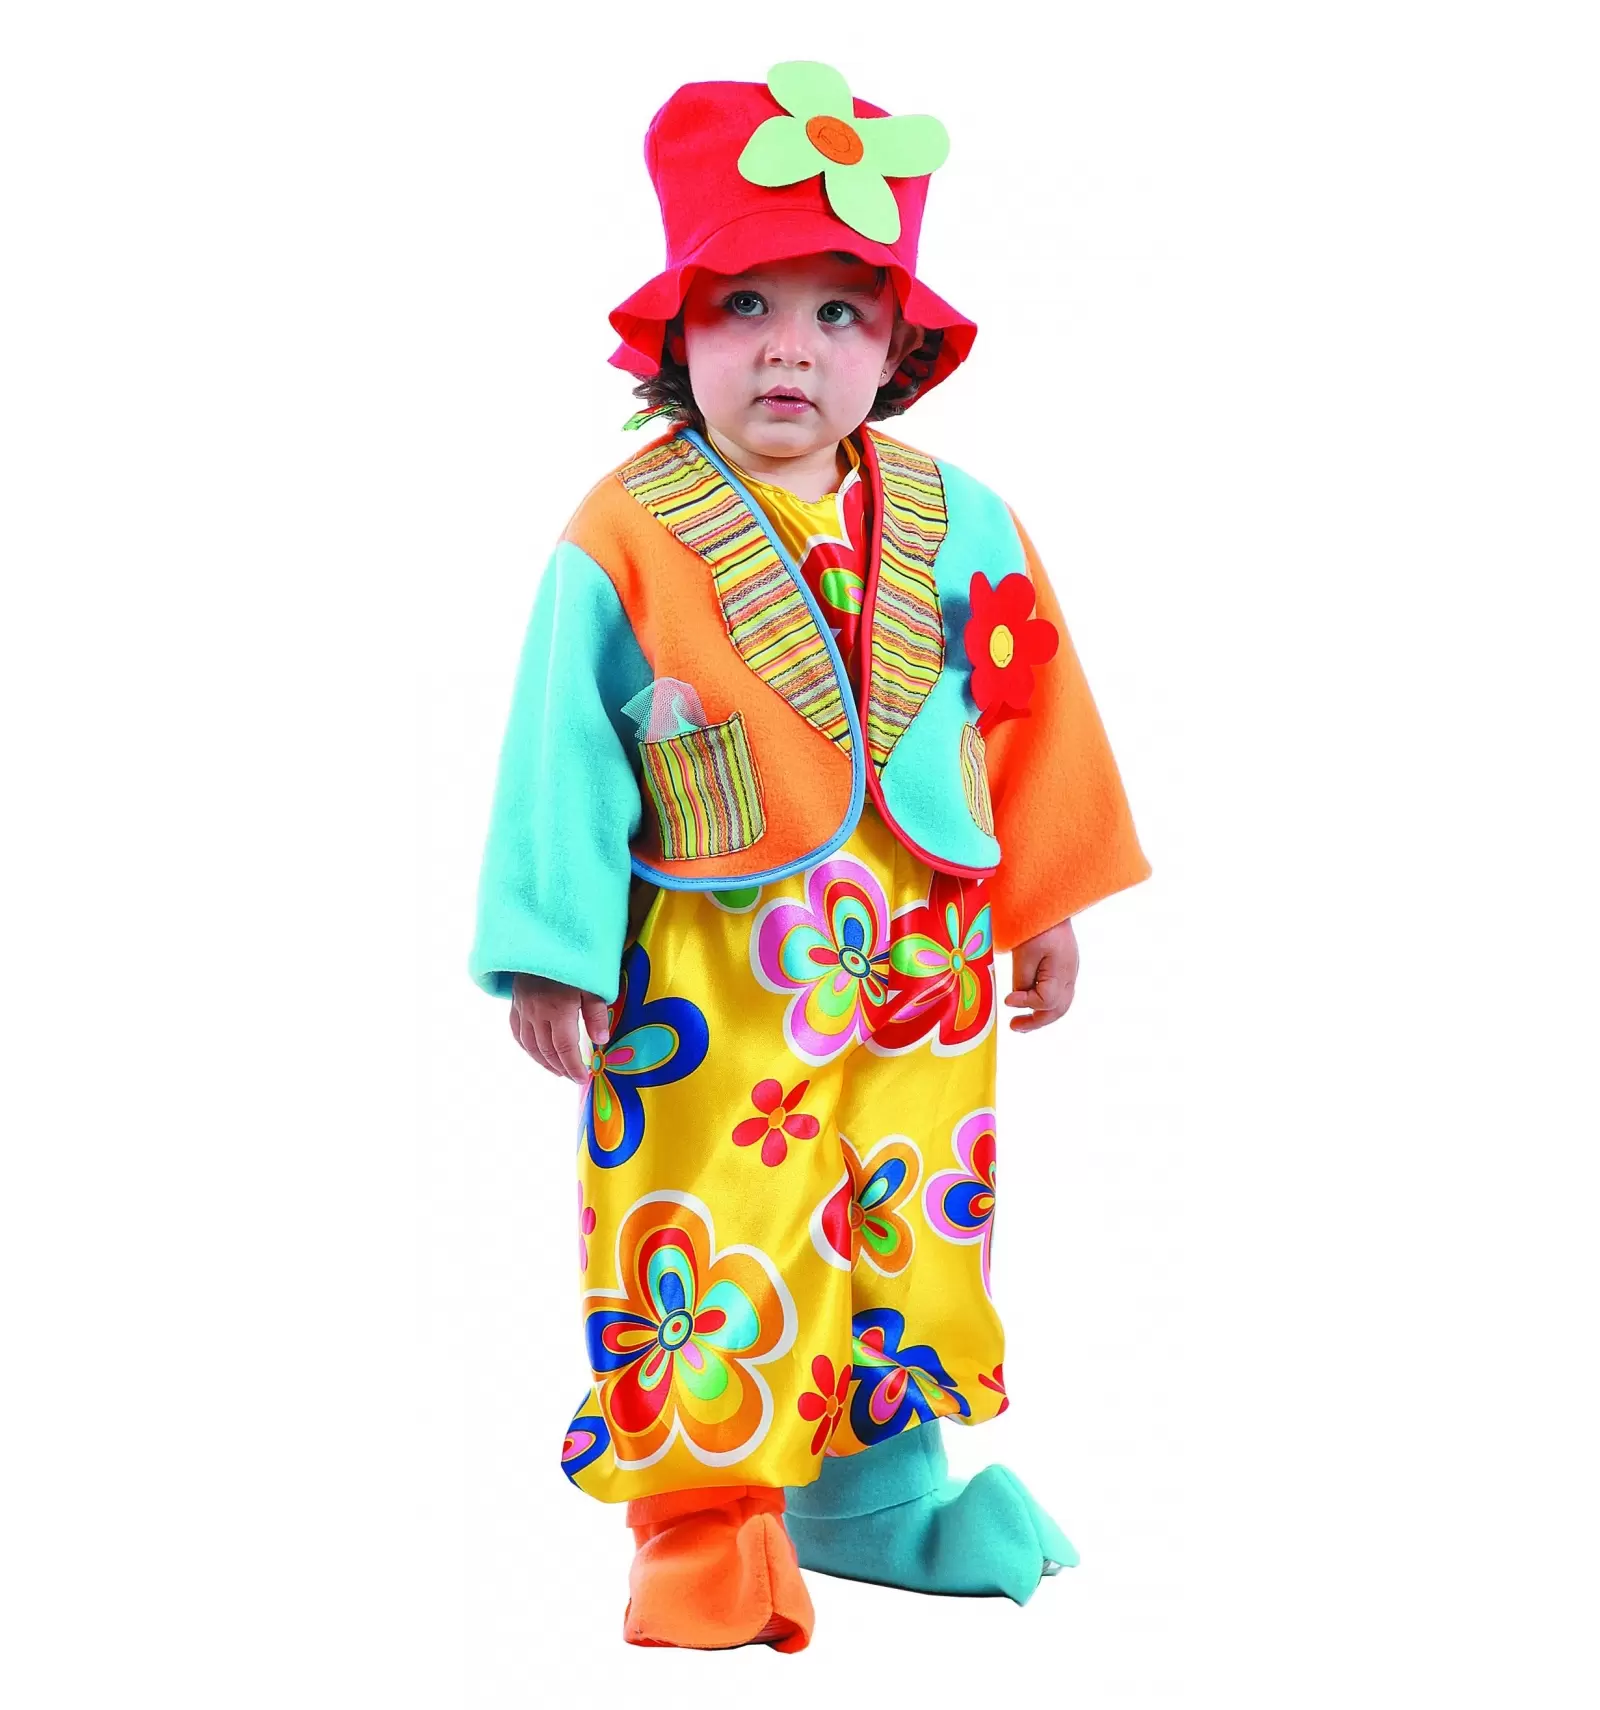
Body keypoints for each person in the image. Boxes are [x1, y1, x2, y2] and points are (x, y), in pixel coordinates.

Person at [470, 60, 1150, 1652]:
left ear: (900, 345)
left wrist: (1042, 898)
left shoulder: (966, 516)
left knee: (909, 1210)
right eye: (746, 306)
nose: (791, 347)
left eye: (840, 312)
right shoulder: (626, 533)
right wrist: (555, 950)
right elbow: (559, 747)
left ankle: (876, 1489)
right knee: (712, 1213)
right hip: (714, 971)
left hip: (924, 963)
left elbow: (1029, 706)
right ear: (675, 334)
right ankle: (704, 1516)